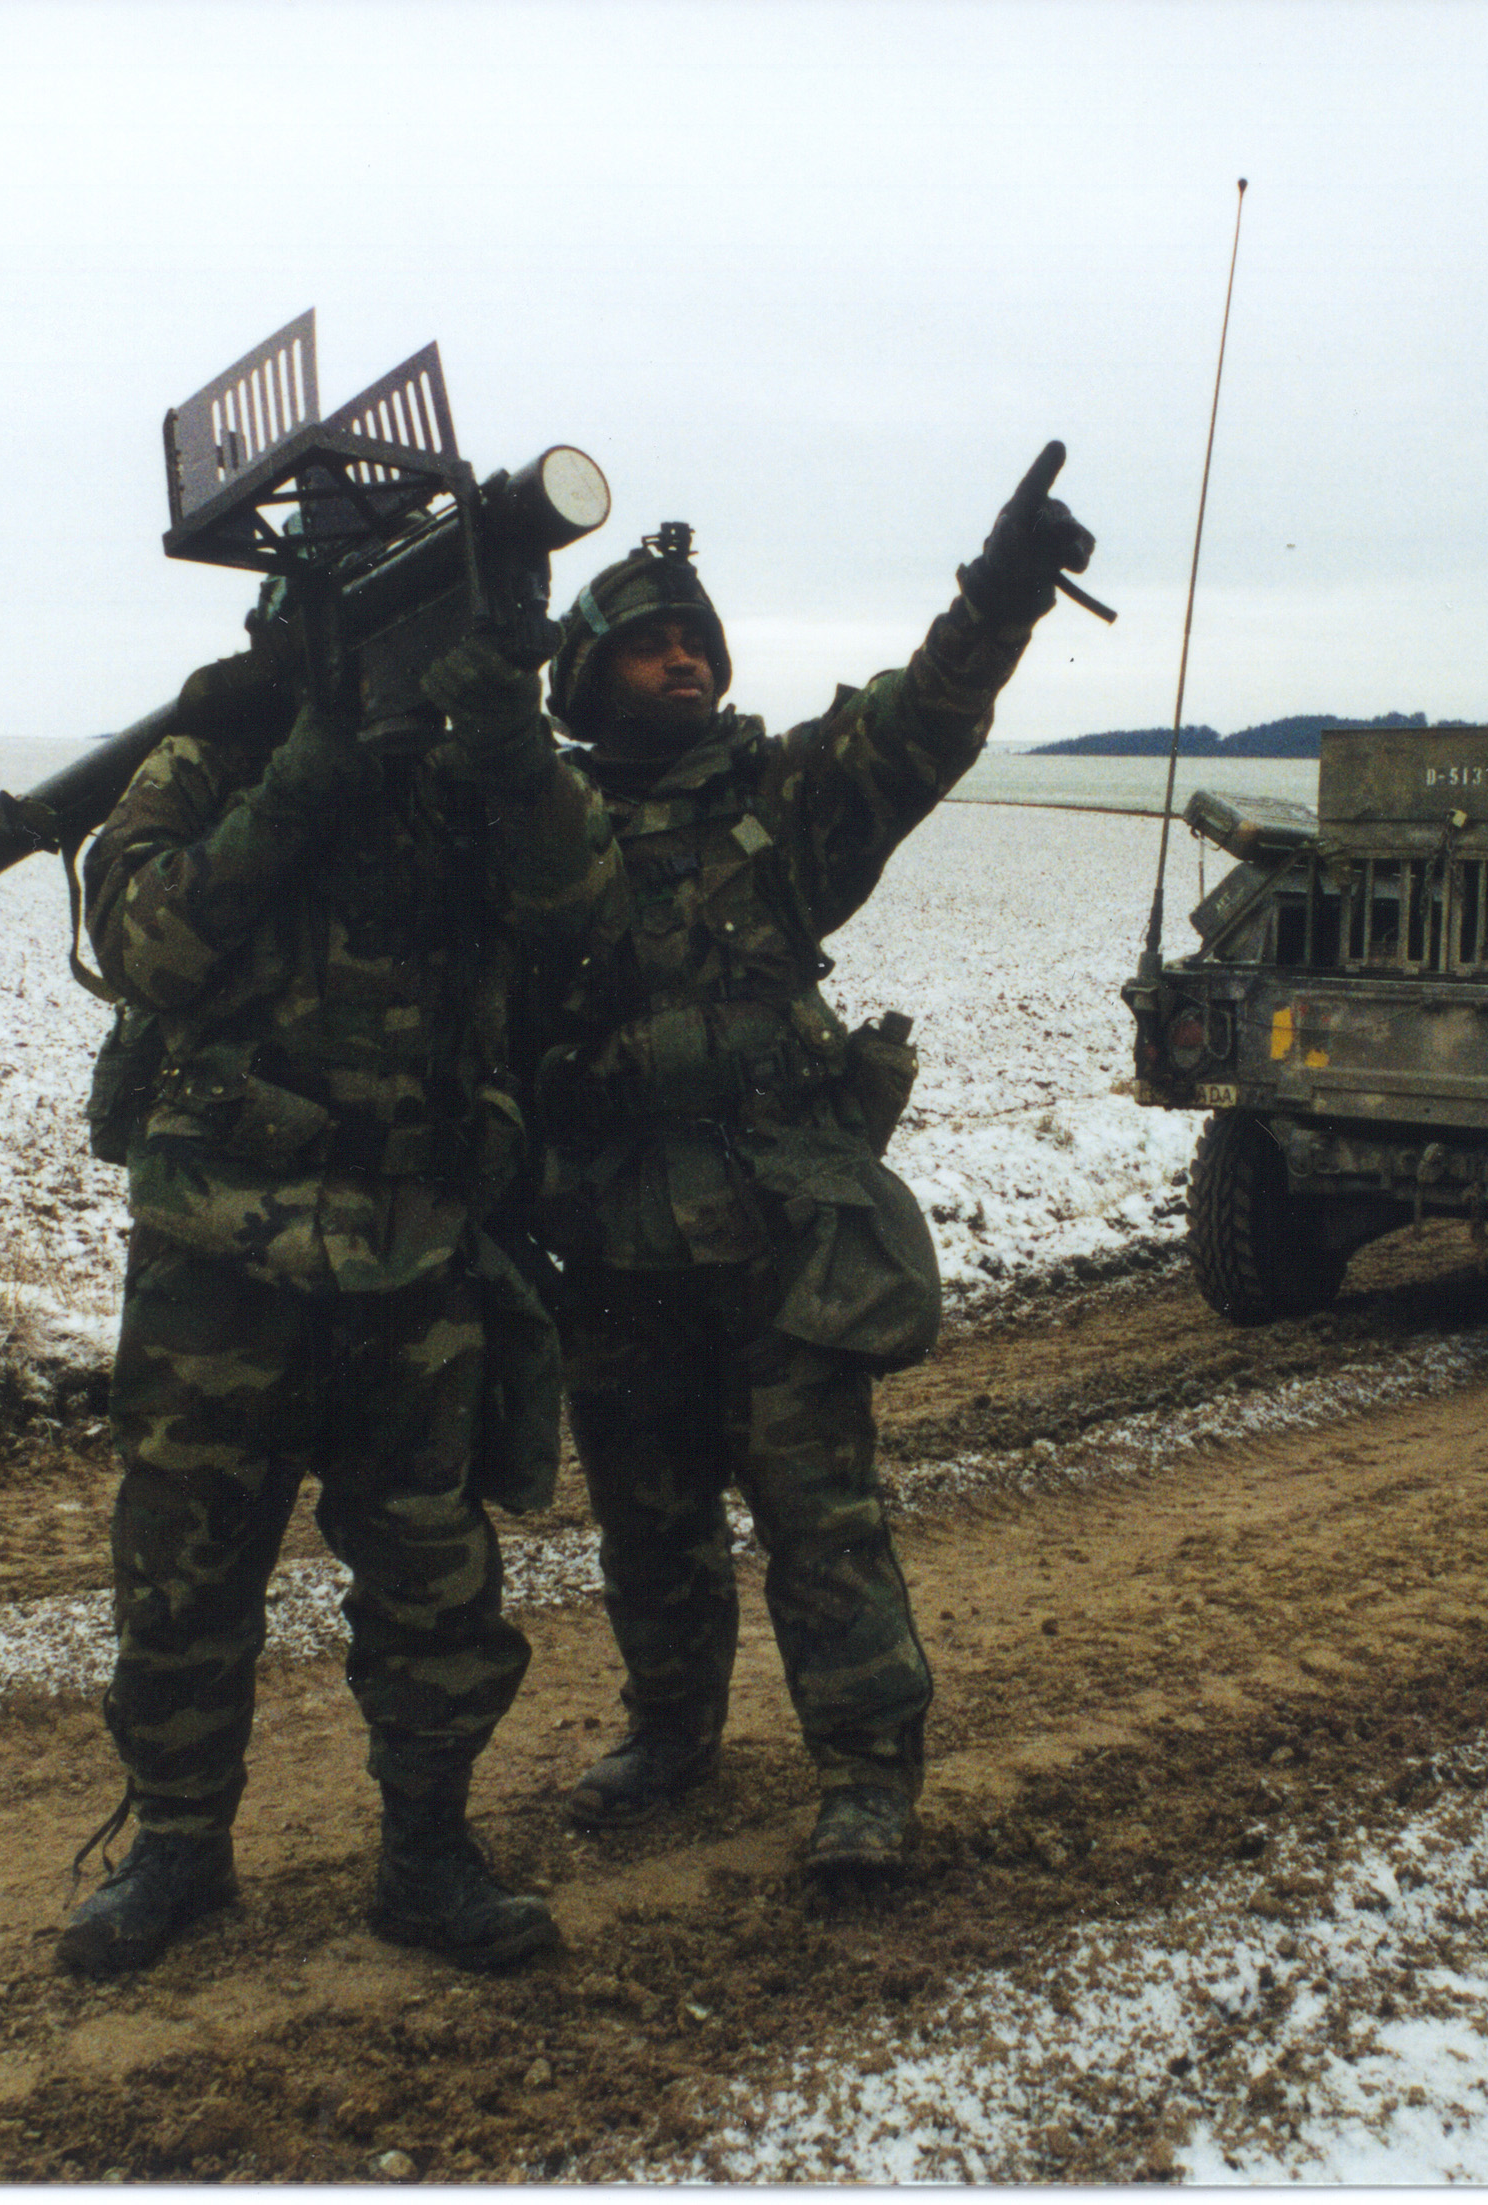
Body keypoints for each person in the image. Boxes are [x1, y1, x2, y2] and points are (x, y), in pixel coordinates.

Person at [523, 446, 1095, 1875]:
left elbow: (921, 720)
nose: (682, 660)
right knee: (648, 1523)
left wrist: (999, 596)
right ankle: (671, 1731)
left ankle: (865, 1770)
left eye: (696, 640)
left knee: (820, 1516)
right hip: (613, 1243)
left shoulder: (780, 801)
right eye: (648, 644)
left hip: (780, 1237)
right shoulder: (541, 833)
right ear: (585, 678)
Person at [55, 604, 615, 1979]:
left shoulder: (470, 771)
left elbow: (585, 917)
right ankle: (179, 1848)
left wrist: (508, 735)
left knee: (432, 1571)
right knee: (182, 1568)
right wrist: (301, 773)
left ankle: (428, 1853)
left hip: (416, 1242)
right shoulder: (209, 761)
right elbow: (147, 947)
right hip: (217, 1247)